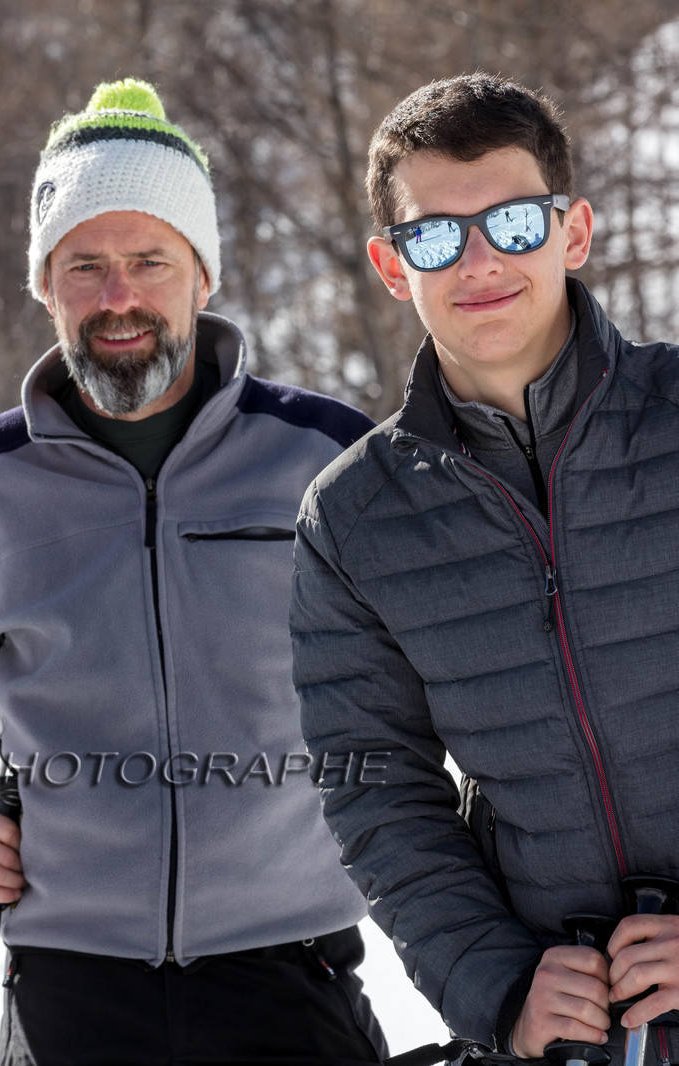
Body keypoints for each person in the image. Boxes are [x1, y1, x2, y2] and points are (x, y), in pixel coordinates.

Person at [0, 79, 386, 1064]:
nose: (119, 297)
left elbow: (463, 661)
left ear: (202, 275)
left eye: (150, 260)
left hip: (292, 974)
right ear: (45, 285)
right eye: (86, 266)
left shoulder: (326, 458)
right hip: (69, 985)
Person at [291, 73, 679, 1058]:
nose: (478, 261)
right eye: (433, 236)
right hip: (570, 1026)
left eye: (511, 222)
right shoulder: (354, 519)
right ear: (391, 265)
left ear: (572, 231)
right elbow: (378, 791)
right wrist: (500, 987)